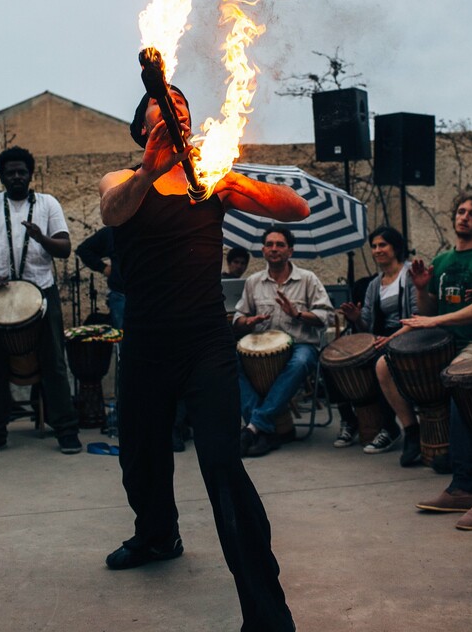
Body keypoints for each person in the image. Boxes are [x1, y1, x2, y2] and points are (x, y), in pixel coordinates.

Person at [99, 86, 307, 632]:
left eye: (182, 104)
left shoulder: (209, 180)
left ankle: (266, 613)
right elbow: (112, 213)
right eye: (160, 103)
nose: (174, 108)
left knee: (222, 465)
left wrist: (230, 177)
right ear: (143, 124)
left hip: (204, 343)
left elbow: (297, 209)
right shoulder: (123, 180)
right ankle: (157, 535)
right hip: (145, 342)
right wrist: (149, 170)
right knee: (140, 459)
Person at [0, 146, 81, 456]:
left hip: (41, 292)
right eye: (10, 172)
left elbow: (65, 247)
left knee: (54, 363)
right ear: (1, 176)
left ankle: (66, 430)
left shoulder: (47, 203)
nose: (16, 176)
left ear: (30, 174)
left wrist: (41, 238)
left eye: (22, 171)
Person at [403, 193, 472, 514]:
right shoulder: (445, 261)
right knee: (386, 365)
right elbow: (429, 310)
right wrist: (421, 289)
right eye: (461, 211)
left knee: (458, 381)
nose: (465, 217)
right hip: (450, 342)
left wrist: (433, 320)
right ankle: (416, 438)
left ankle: (464, 481)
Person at [233, 225, 334, 457]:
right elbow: (238, 317)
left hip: (301, 345)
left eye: (280, 245)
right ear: (262, 250)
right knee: (228, 361)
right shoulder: (253, 282)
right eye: (269, 245)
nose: (274, 249)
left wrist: (297, 314)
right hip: (261, 347)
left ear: (290, 251)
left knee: (300, 362)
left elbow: (325, 316)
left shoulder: (308, 279)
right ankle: (264, 429)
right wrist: (247, 321)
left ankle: (253, 427)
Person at [340, 226, 420, 464]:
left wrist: (392, 338)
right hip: (382, 337)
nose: (377, 250)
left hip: (410, 334)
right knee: (338, 360)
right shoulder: (375, 284)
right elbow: (368, 327)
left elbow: (419, 316)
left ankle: (400, 429)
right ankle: (349, 421)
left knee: (377, 363)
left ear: (395, 247)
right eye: (374, 246)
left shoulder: (409, 276)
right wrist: (356, 318)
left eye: (382, 245)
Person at [75, 226, 125, 330]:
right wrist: (103, 267)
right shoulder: (113, 231)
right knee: (123, 340)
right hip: (121, 295)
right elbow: (84, 249)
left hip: (147, 297)